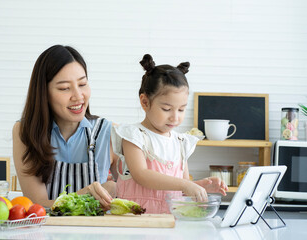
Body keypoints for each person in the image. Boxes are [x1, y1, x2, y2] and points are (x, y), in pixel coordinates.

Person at [111, 54, 228, 214]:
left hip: (170, 221)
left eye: (181, 109)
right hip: (137, 220)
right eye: (166, 109)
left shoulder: (181, 142)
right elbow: (141, 175)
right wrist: (185, 185)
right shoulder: (134, 136)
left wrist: (200, 186)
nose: (175, 117)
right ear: (145, 102)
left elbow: (182, 186)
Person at [13, 45, 118, 209]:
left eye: (82, 84)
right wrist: (87, 193)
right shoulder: (25, 132)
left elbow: (135, 191)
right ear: (44, 93)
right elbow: (38, 206)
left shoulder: (109, 132)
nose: (78, 96)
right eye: (64, 88)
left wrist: (115, 188)